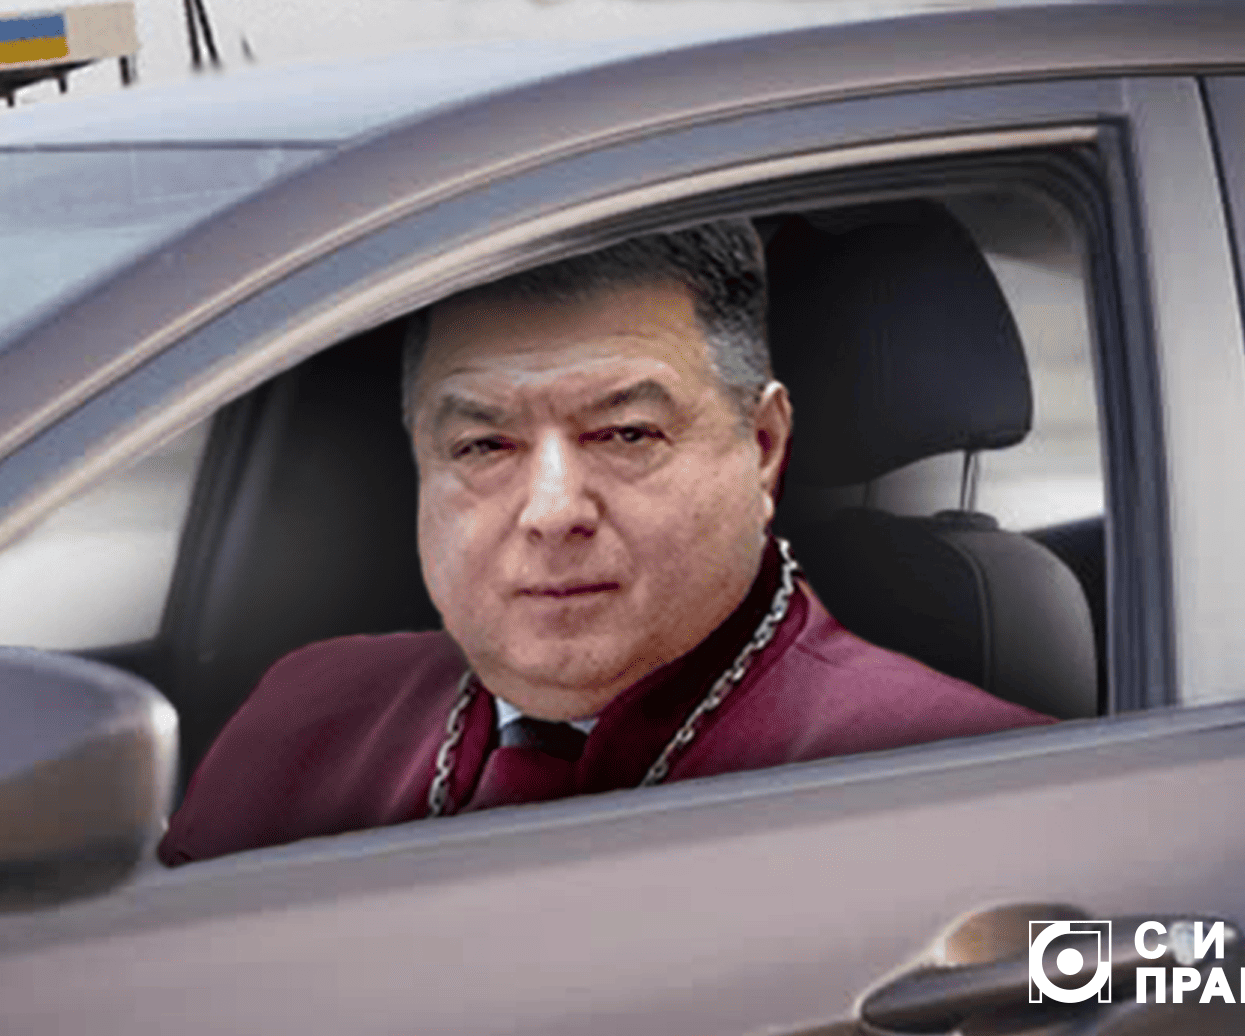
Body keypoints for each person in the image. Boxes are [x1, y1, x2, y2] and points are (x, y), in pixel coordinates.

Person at [159, 220, 1050, 866]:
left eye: (626, 434)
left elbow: (1102, 985)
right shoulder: (301, 713)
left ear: (762, 448)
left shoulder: (985, 788)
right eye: (483, 445)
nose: (552, 511)